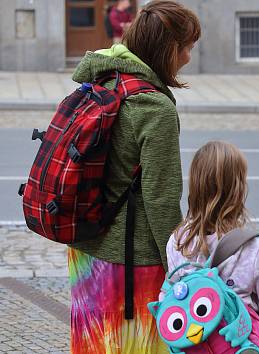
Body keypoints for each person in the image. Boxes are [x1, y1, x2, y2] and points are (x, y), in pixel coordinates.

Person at [68, 1, 200, 353]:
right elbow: (161, 199)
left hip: (85, 248)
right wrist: (179, 265)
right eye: (186, 47)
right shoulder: (154, 108)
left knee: (93, 344)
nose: (188, 57)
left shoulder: (104, 78)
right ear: (166, 48)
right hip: (131, 261)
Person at [164, 141, 259, 353]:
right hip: (238, 345)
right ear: (237, 189)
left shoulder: (178, 241)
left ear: (195, 186)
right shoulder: (253, 246)